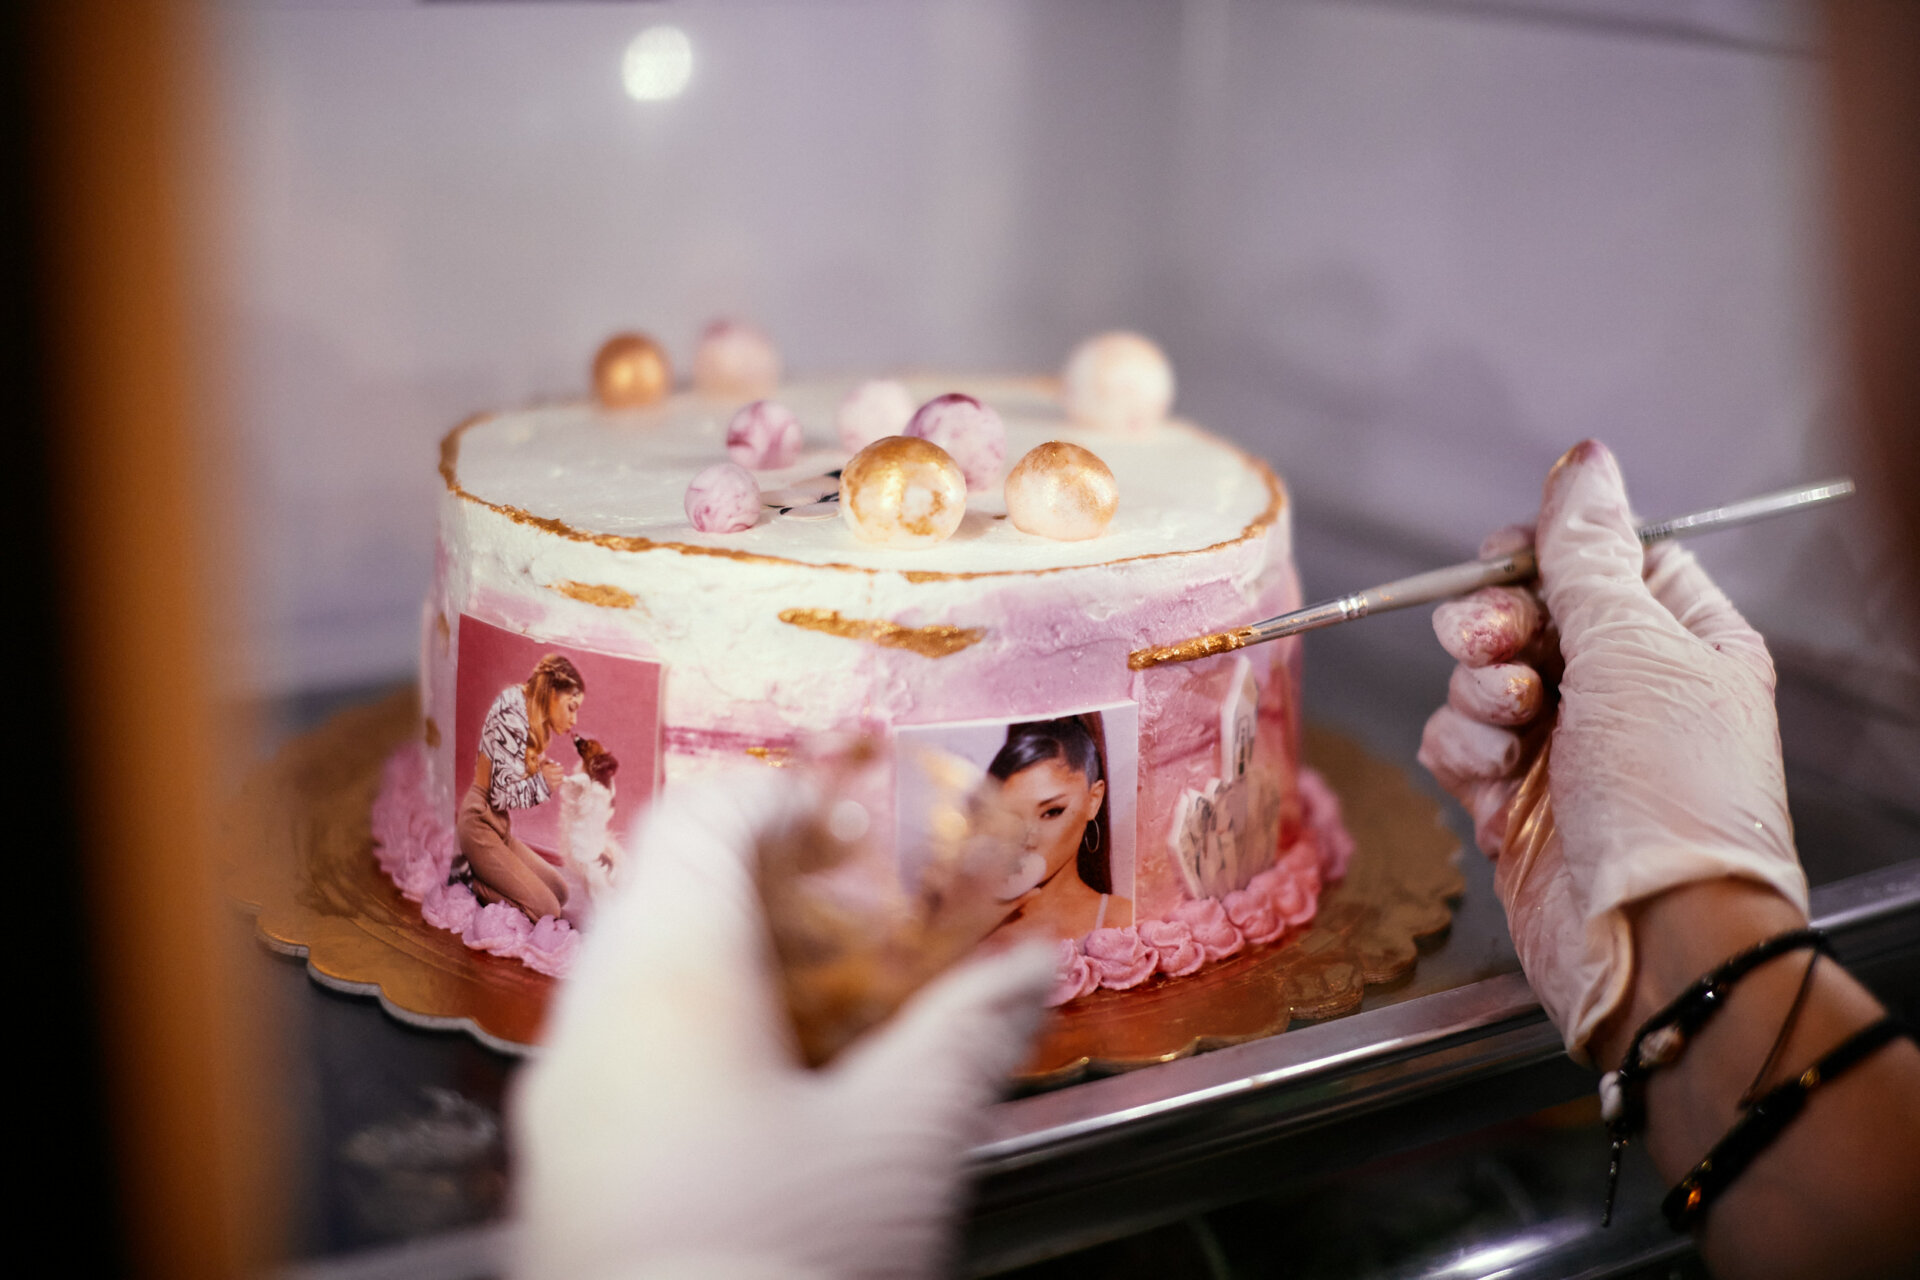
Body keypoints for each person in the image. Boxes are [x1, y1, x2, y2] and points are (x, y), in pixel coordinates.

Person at [456, 654, 580, 922]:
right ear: (553, 693)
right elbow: (500, 796)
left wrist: (537, 768)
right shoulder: (513, 711)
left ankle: (483, 873)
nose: (574, 720)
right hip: (479, 822)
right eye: (571, 707)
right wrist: (542, 784)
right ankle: (467, 879)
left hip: (499, 827)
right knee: (546, 910)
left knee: (559, 891)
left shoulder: (529, 713)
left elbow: (508, 768)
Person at [985, 717, 1129, 943]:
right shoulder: (977, 925)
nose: (1028, 838)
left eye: (1052, 812)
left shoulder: (1120, 920)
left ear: (1094, 799)